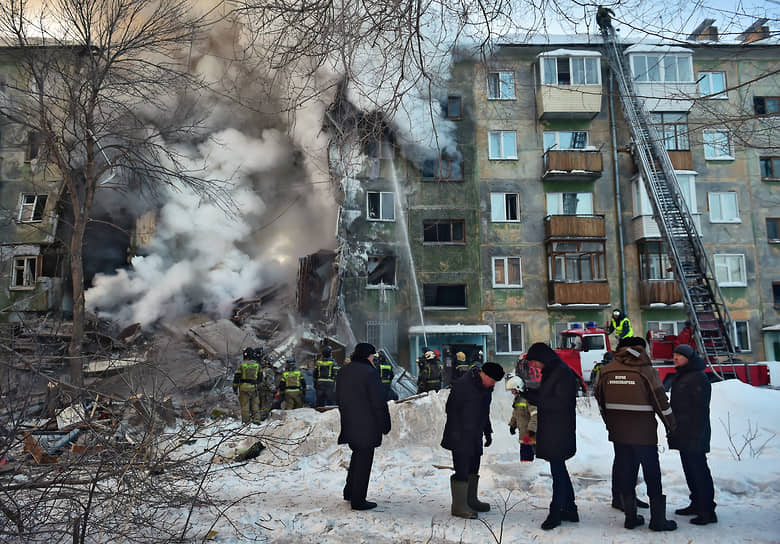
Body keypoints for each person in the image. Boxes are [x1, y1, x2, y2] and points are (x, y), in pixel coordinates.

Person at [595, 336, 677, 531]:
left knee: (626, 471)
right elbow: (660, 402)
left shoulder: (606, 371)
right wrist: (671, 426)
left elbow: (600, 401)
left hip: (619, 433)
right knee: (652, 473)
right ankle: (658, 520)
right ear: (640, 349)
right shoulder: (646, 371)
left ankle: (630, 518)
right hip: (643, 433)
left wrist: (611, 425)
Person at [521, 343, 579, 530]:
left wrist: (534, 397)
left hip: (560, 430)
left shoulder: (562, 373)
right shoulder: (553, 372)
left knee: (558, 472)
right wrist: (526, 393)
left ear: (543, 358)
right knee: (559, 469)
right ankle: (570, 509)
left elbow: (559, 402)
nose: (535, 367)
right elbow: (546, 396)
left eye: (535, 362)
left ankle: (555, 514)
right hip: (554, 428)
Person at [441, 361, 505, 519]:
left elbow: (485, 411)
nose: (493, 384)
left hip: (475, 434)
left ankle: (471, 499)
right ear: (483, 374)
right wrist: (456, 431)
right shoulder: (463, 384)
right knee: (461, 469)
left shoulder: (486, 388)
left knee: (474, 467)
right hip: (460, 433)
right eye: (492, 380)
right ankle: (458, 506)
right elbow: (450, 409)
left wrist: (487, 431)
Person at [337, 342, 392, 511]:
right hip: (367, 423)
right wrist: (385, 424)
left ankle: (349, 491)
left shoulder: (344, 371)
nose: (373, 359)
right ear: (367, 356)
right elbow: (378, 402)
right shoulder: (370, 373)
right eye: (372, 356)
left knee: (357, 455)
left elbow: (337, 395)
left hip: (349, 420)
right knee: (364, 460)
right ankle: (358, 500)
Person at [668, 344, 717, 525]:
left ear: (689, 357)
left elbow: (700, 409)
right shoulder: (684, 375)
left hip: (694, 433)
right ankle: (696, 503)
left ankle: (707, 510)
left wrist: (696, 434)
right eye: (674, 355)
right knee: (690, 470)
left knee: (699, 471)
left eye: (679, 356)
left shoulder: (697, 377)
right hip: (683, 431)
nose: (675, 358)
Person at [506, 376, 537, 462]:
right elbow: (515, 414)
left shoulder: (529, 399)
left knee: (531, 458)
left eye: (513, 390)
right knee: (525, 458)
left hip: (531, 435)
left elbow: (535, 415)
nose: (512, 393)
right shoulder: (517, 400)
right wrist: (512, 425)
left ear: (518, 388)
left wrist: (531, 430)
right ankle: (527, 471)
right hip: (524, 435)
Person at [233, 347, 262, 423]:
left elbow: (237, 377)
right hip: (254, 387)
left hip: (243, 388)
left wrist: (235, 388)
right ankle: (256, 420)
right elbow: (261, 378)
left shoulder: (242, 365)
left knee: (245, 406)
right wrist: (257, 386)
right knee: (255, 404)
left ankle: (246, 422)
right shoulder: (257, 365)